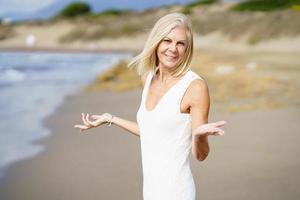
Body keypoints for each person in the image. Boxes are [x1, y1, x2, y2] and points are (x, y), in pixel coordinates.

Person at [74, 12, 227, 200]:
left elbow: (201, 155)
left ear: (188, 49)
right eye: (167, 41)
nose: (173, 49)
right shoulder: (147, 78)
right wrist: (110, 119)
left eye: (181, 43)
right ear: (156, 42)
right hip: (151, 190)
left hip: (176, 191)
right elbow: (153, 132)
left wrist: (198, 136)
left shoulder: (195, 87)